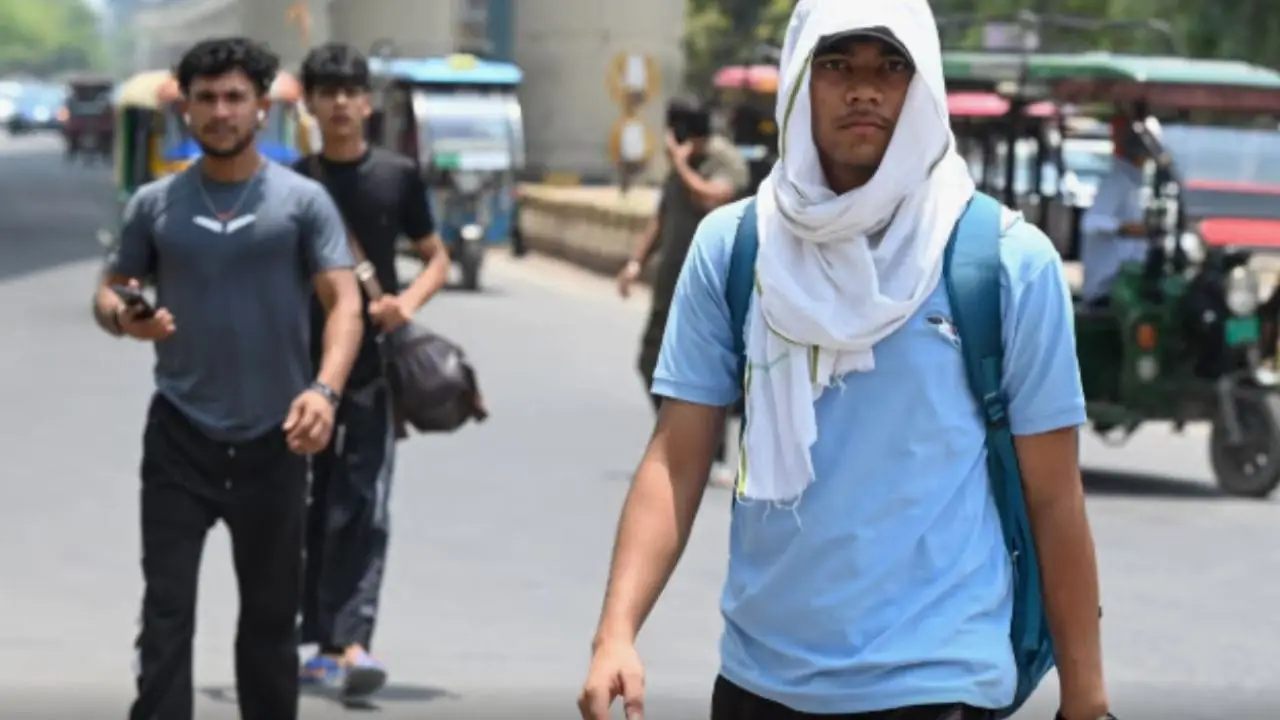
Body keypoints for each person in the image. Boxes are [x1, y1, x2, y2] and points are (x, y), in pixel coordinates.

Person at [580, 2, 1111, 720]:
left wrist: (1086, 701)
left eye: (892, 66)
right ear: (799, 80)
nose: (865, 89)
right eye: (836, 64)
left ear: (925, 85)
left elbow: (1054, 496)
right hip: (760, 681)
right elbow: (677, 458)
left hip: (939, 684)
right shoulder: (737, 249)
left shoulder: (1006, 261)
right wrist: (615, 633)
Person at [91, 37, 364, 720]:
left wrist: (324, 391)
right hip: (180, 437)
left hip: (276, 440)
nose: (220, 112)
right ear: (185, 109)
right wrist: (125, 317)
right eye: (206, 98)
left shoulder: (303, 203)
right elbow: (112, 289)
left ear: (261, 107)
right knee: (166, 613)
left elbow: (344, 303)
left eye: (235, 97)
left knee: (271, 624)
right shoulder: (155, 204)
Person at [292, 42, 450, 697]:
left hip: (372, 371)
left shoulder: (396, 175)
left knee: (363, 504)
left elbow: (436, 257)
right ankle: (316, 638)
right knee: (306, 504)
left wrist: (403, 305)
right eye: (326, 92)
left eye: (349, 92)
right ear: (309, 103)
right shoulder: (293, 183)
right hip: (300, 372)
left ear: (366, 103)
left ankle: (350, 641)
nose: (339, 103)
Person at [615, 95, 749, 487]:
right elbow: (661, 218)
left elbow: (713, 197)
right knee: (649, 361)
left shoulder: (724, 159)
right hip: (671, 283)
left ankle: (713, 453)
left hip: (714, 285)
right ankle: (682, 438)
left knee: (709, 370)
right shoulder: (679, 166)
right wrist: (636, 262)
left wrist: (680, 163)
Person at [1079, 115, 1151, 306]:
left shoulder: (1133, 184)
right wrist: (1125, 228)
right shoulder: (1115, 182)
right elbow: (1091, 222)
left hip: (1128, 280)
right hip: (1106, 289)